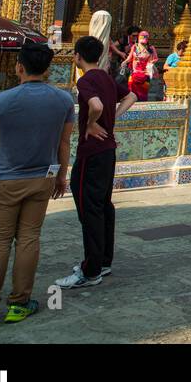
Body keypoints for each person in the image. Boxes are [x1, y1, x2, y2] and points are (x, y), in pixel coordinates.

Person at [0, 42, 75, 329]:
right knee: (28, 239)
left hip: (6, 180)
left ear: (19, 67)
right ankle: (19, 303)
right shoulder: (63, 100)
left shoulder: (0, 101)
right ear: (48, 68)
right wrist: (61, 175)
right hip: (42, 180)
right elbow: (64, 142)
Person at [55, 35, 135, 291]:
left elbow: (97, 105)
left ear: (78, 56)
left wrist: (91, 123)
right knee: (103, 206)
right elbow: (131, 96)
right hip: (107, 151)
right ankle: (103, 261)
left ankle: (90, 270)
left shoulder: (86, 80)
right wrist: (112, 122)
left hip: (92, 152)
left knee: (89, 208)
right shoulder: (106, 78)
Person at [126, 30, 157, 101]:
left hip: (145, 75)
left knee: (143, 95)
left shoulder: (151, 48)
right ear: (139, 38)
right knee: (131, 94)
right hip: (134, 74)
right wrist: (125, 62)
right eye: (142, 38)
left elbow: (155, 59)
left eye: (145, 38)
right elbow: (129, 57)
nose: (143, 40)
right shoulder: (135, 47)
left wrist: (150, 63)